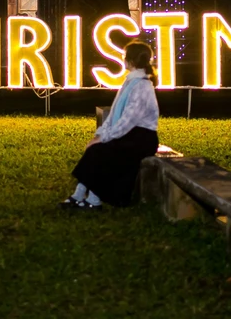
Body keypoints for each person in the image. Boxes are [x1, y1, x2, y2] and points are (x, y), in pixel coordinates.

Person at [61, 40, 160, 210]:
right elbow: (115, 114)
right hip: (132, 134)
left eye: (124, 56)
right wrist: (100, 135)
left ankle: (92, 199)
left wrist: (103, 138)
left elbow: (128, 120)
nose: (122, 59)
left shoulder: (142, 86)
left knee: (101, 151)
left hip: (142, 138)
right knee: (96, 149)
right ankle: (81, 195)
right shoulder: (130, 82)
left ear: (131, 60)